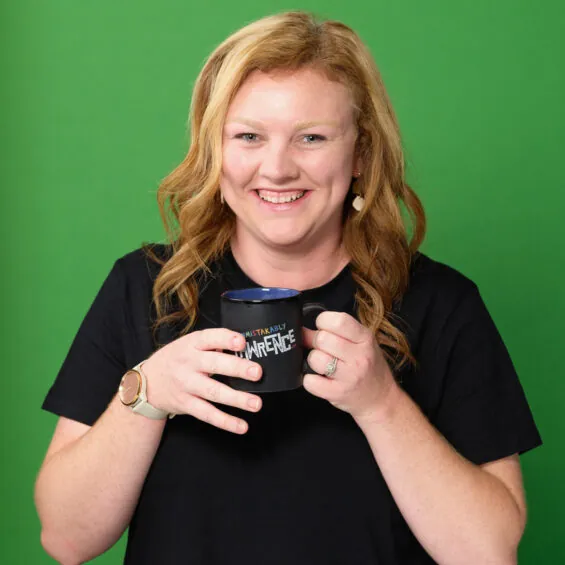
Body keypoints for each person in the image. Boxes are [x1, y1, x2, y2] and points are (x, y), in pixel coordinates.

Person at [34, 10, 542, 565]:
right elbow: (65, 539)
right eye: (248, 136)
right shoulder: (144, 287)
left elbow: (488, 553)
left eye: (312, 137)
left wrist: (381, 405)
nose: (276, 168)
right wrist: (147, 396)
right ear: (214, 151)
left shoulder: (443, 304)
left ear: (361, 155)